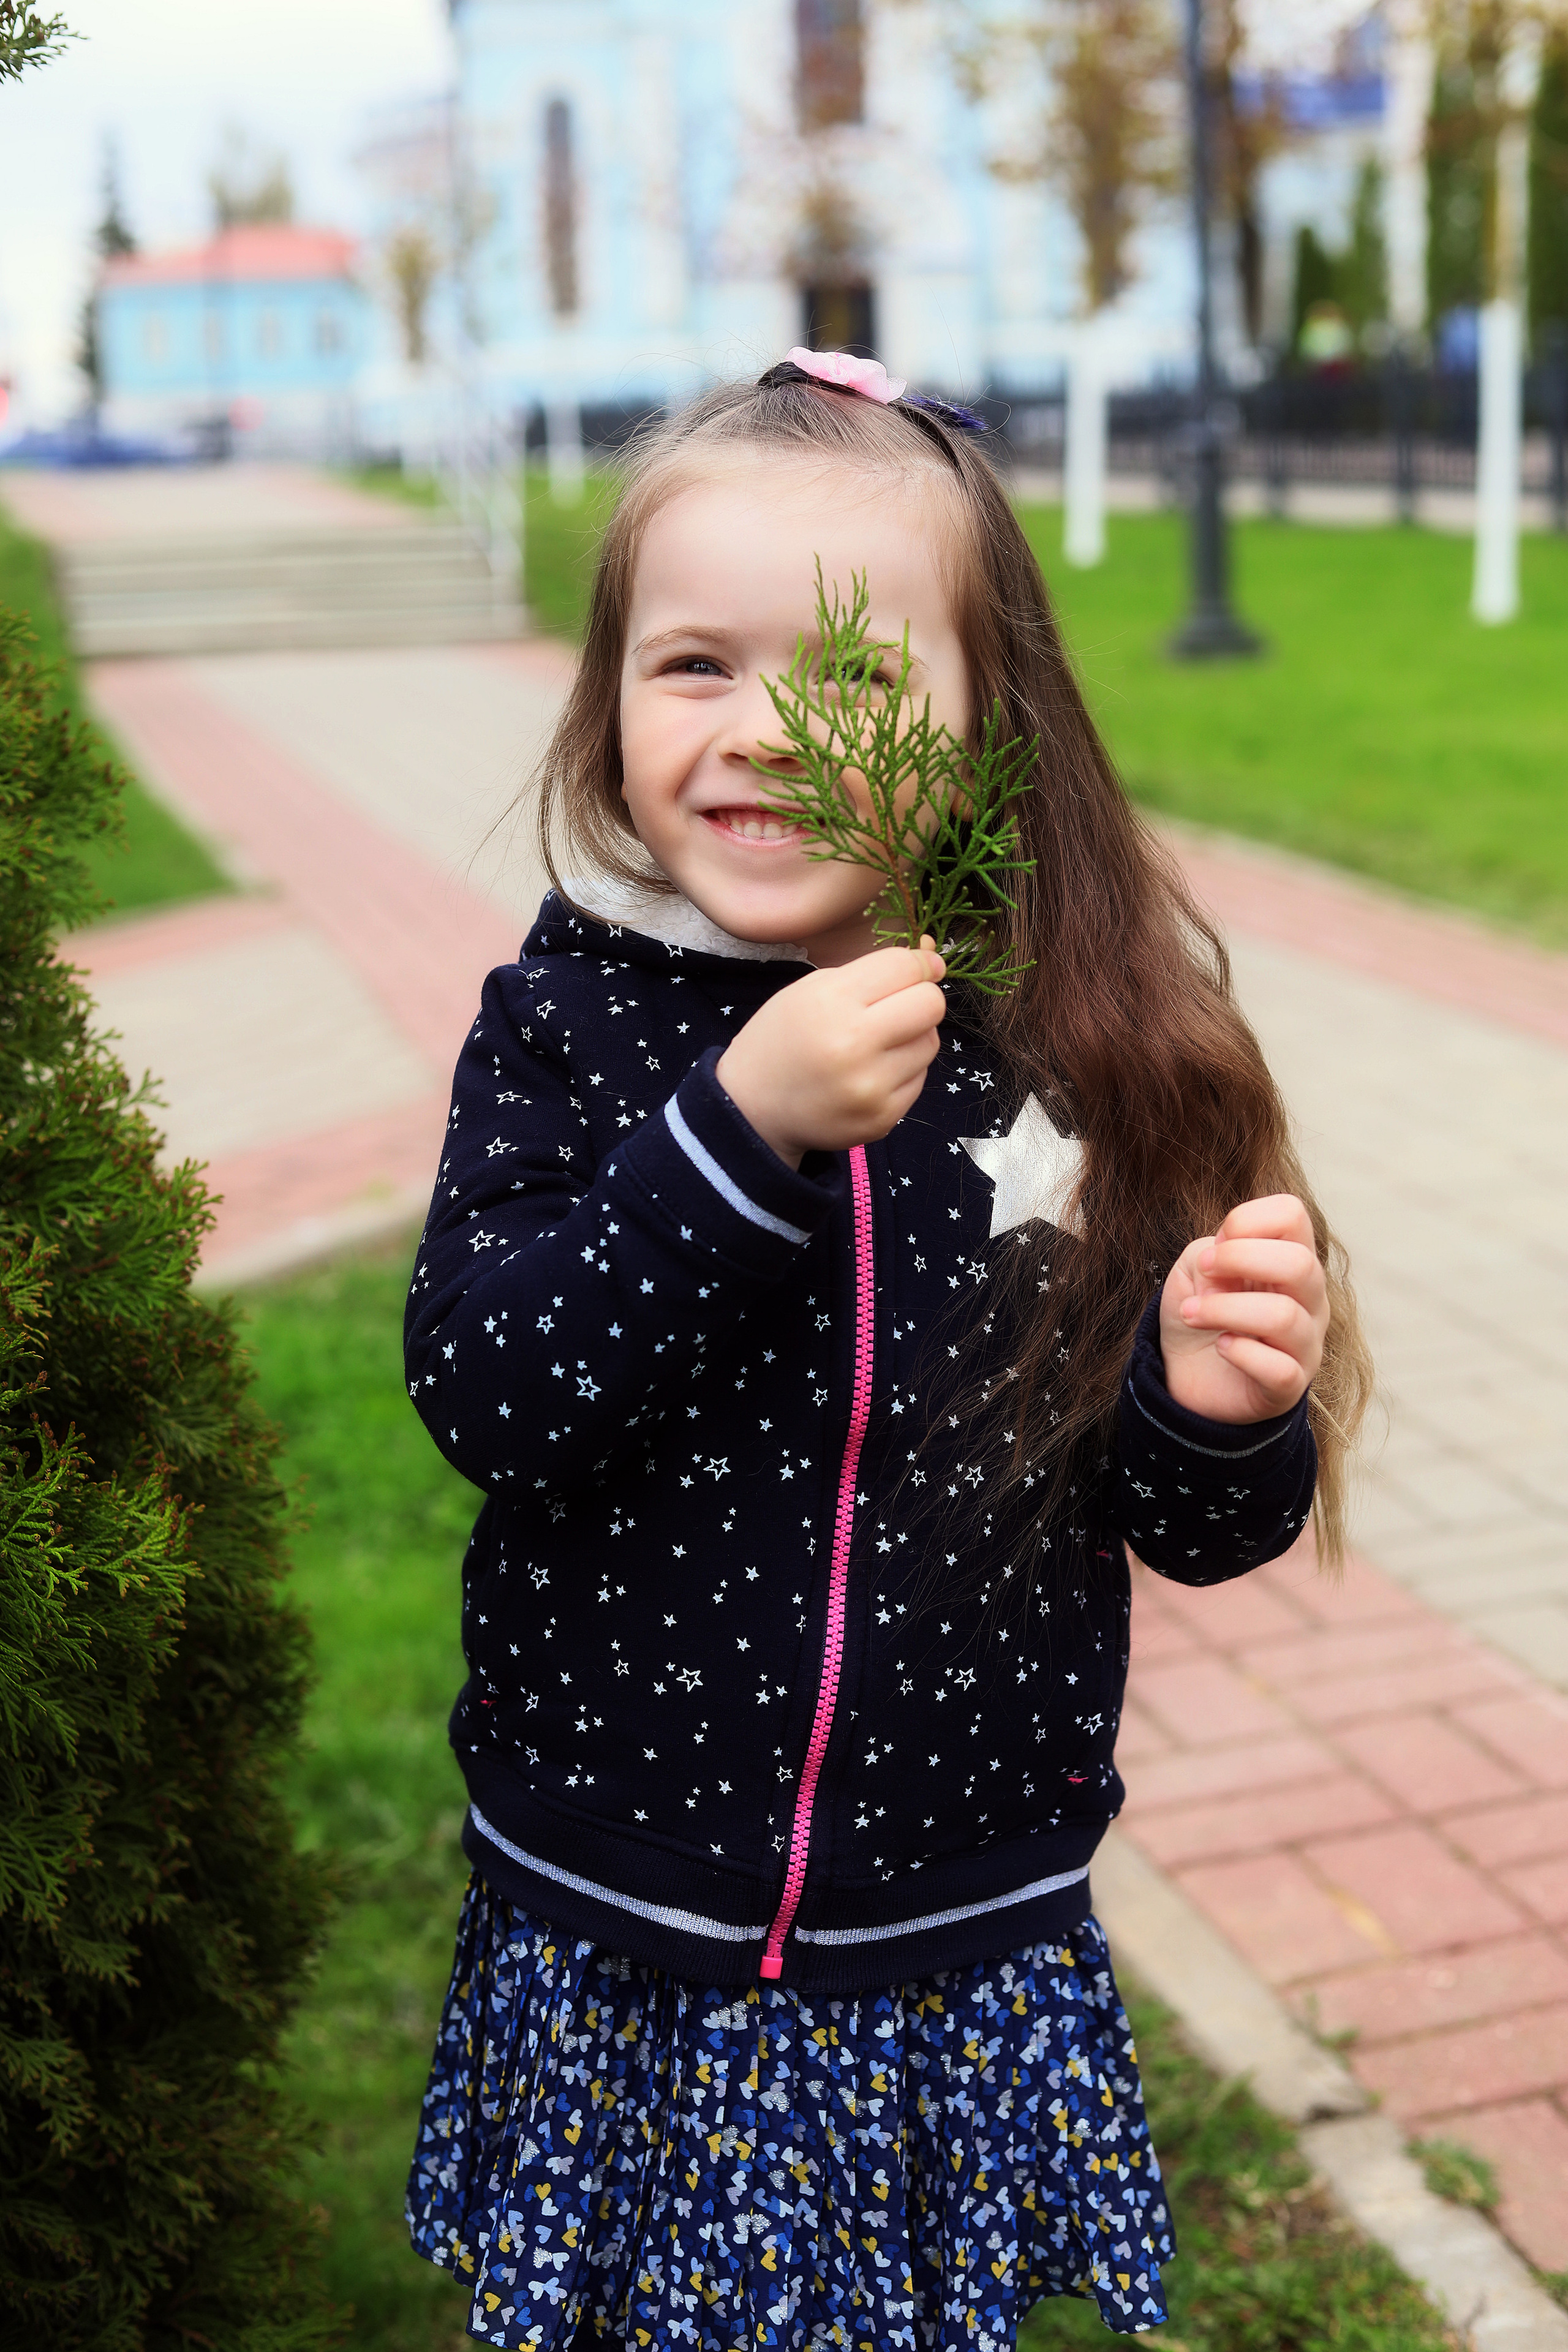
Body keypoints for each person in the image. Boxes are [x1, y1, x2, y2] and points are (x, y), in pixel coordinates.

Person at [402, 351, 1373, 2350]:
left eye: (853, 673)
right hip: (634, 1907)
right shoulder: (575, 1034)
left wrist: (1213, 1409)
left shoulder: (1066, 1058)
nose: (768, 731)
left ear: (986, 730)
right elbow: (492, 1391)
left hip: (952, 1918)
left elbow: (1182, 1527)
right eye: (693, 665)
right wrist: (728, 1138)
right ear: (605, 715)